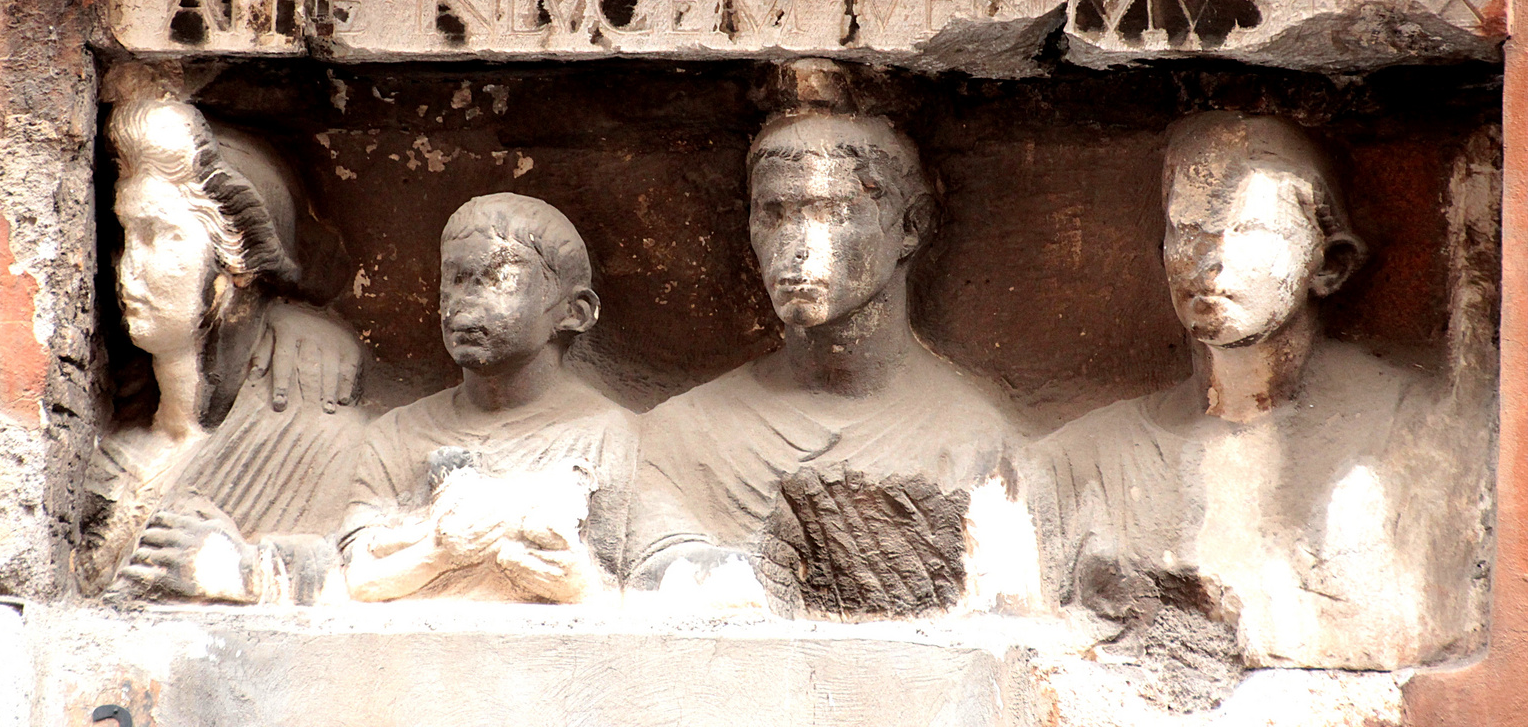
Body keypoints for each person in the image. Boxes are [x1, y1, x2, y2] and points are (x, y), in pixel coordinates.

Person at [1027, 111, 1484, 668]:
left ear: (1330, 264)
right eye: (1187, 231)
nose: (1210, 259)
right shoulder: (1086, 461)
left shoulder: (1412, 434)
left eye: (1249, 231)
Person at [629, 67, 1025, 618]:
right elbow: (649, 568)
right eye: (774, 214)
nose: (797, 246)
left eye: (833, 212)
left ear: (911, 226)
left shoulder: (976, 441)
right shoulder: (683, 436)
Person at [76, 98, 370, 604]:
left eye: (162, 236)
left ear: (236, 263)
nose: (129, 268)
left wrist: (246, 573)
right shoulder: (115, 456)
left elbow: (370, 576)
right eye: (127, 235)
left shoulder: (325, 445)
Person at [338, 193, 637, 603]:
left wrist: (580, 586)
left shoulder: (612, 437)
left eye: (500, 277)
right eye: (456, 279)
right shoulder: (395, 435)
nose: (465, 305)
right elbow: (354, 578)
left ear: (574, 312)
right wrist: (439, 555)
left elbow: (642, 589)